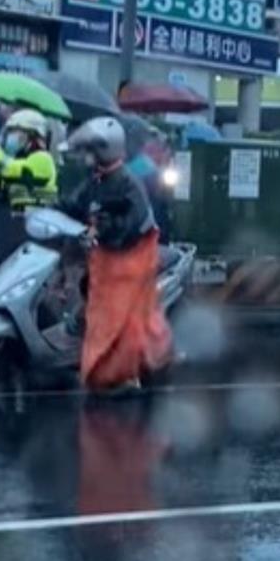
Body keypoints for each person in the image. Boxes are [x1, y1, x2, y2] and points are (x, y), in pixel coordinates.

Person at [61, 116, 173, 392]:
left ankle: (122, 374)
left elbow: (132, 223)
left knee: (119, 321)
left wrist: (107, 231)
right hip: (107, 259)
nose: (87, 158)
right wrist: (52, 207)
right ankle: (111, 370)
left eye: (91, 151)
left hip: (128, 260)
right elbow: (77, 203)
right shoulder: (98, 179)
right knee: (103, 315)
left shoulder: (127, 182)